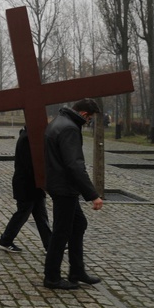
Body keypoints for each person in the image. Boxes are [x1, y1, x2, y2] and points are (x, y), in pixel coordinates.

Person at [43, 98, 104, 290]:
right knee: (61, 233)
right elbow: (74, 165)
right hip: (64, 188)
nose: (88, 123)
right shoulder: (69, 128)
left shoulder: (58, 121)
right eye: (89, 119)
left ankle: (77, 271)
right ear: (85, 114)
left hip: (59, 185)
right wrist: (93, 194)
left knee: (78, 224)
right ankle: (52, 278)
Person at [0, 127, 52, 253]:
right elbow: (30, 165)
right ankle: (5, 240)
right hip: (27, 184)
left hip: (31, 184)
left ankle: (50, 244)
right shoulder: (28, 139)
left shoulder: (28, 136)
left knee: (41, 215)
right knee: (22, 214)